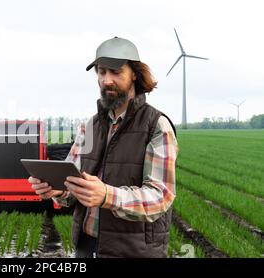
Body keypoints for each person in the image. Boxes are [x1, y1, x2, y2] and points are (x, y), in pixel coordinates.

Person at [28, 37, 178, 258]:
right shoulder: (90, 126)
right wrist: (57, 190)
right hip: (86, 247)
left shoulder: (156, 125)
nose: (106, 80)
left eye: (116, 72)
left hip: (132, 251)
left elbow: (160, 197)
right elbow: (73, 187)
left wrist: (107, 195)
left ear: (134, 74)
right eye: (101, 72)